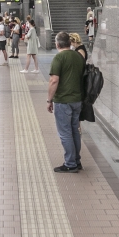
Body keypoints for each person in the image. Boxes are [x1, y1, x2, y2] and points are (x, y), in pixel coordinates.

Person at [47, 31, 85, 173]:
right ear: (69, 43)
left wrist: (49, 99)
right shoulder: (78, 56)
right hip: (77, 100)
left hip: (63, 100)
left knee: (65, 133)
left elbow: (54, 80)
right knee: (75, 130)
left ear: (57, 44)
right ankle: (76, 161)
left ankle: (70, 163)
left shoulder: (59, 58)